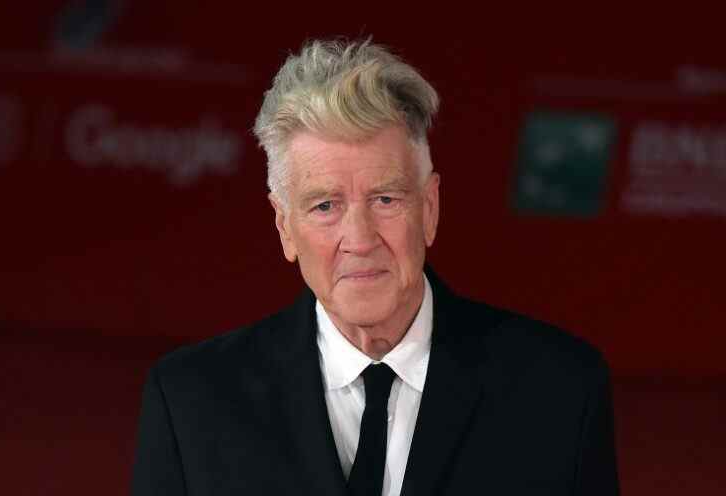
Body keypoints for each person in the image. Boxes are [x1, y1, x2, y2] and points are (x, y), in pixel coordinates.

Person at [131, 38, 619, 496]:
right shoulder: (191, 404)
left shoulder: (561, 392)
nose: (360, 241)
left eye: (385, 199)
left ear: (429, 209)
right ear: (284, 227)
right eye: (325, 206)